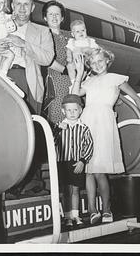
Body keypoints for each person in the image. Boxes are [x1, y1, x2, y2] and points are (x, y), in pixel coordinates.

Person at [71, 47, 140, 224]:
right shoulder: (88, 81)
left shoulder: (116, 79)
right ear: (89, 65)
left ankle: (107, 210)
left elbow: (136, 98)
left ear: (108, 60)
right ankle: (93, 211)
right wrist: (78, 75)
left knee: (100, 171)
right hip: (87, 122)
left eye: (100, 61)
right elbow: (74, 97)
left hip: (104, 123)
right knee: (88, 171)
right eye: (93, 62)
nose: (97, 65)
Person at [0, 0, 54, 114]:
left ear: (32, 7)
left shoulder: (43, 31)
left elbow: (48, 58)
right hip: (0, 78)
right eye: (18, 4)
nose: (22, 8)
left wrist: (23, 44)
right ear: (12, 6)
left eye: (26, 4)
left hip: (28, 81)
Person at [54, 94, 93, 227]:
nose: (72, 113)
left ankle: (76, 215)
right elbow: (50, 142)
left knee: (75, 190)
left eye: (75, 110)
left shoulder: (84, 128)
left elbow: (89, 145)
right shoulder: (58, 128)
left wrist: (83, 161)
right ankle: (67, 217)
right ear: (63, 111)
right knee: (66, 191)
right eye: (68, 110)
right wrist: (57, 130)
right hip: (62, 163)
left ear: (80, 110)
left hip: (77, 163)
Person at [41, 0, 72, 124]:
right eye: (50, 14)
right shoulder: (42, 35)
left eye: (57, 14)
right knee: (57, 116)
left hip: (72, 81)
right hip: (54, 80)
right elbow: (45, 59)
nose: (54, 17)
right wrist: (66, 70)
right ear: (45, 17)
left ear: (62, 17)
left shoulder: (70, 36)